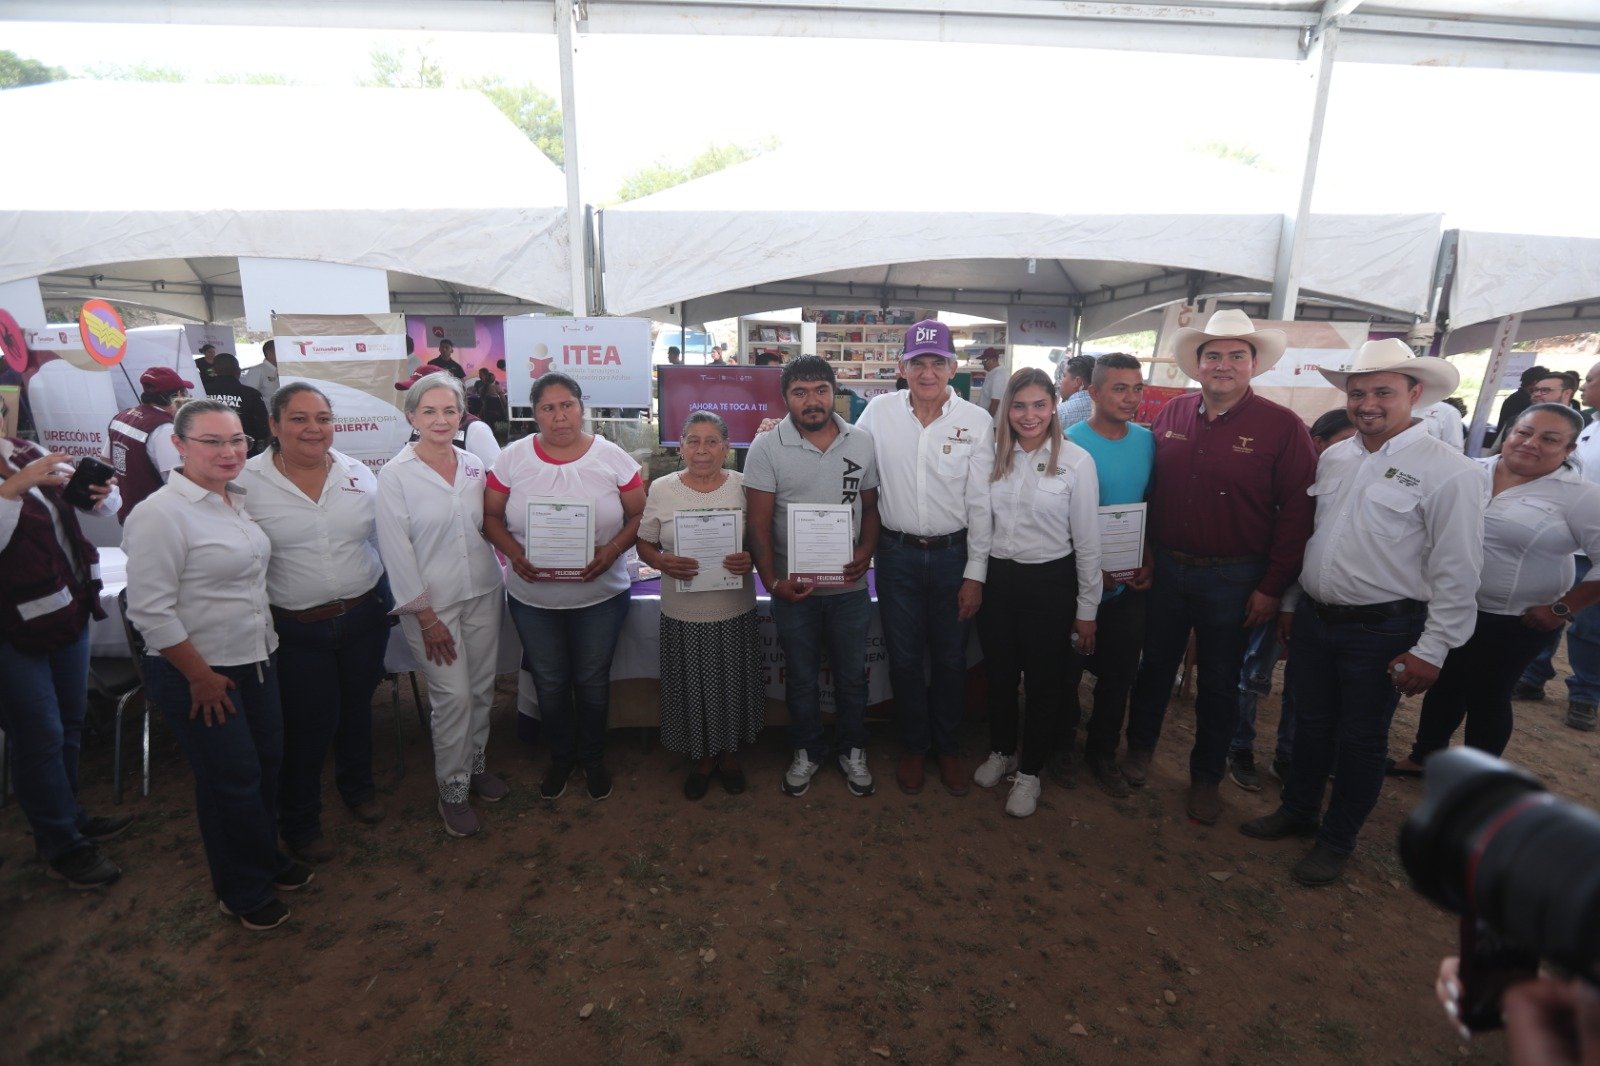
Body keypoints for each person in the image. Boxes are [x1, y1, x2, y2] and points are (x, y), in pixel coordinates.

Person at [1241, 339, 1486, 887]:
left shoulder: (1450, 472)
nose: (1367, 404)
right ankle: (1299, 810)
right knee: (1309, 723)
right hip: (1315, 618)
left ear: (1415, 394)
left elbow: (1459, 571)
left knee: (1361, 740)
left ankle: (1337, 840)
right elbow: (1315, 538)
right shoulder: (1337, 456)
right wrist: (1291, 603)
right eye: (1357, 393)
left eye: (1383, 392)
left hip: (1383, 628)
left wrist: (1432, 649)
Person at [1123, 309, 1317, 827]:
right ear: (1198, 364)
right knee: (1154, 668)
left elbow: (1298, 513)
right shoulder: (1172, 414)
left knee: (1219, 681)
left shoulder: (1283, 427)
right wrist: (1145, 552)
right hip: (1167, 568)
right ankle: (1139, 751)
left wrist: (1272, 586)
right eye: (1213, 355)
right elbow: (1151, 490)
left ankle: (1206, 777)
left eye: (1236, 355)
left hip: (1235, 578)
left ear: (1253, 364)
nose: (1223, 364)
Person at [124, 400, 311, 930]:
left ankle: (264, 857)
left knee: (265, 765)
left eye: (236, 441)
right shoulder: (160, 514)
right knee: (230, 779)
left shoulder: (233, 499)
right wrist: (199, 676)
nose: (229, 452)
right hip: (200, 673)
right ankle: (242, 891)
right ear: (178, 445)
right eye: (212, 441)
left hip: (256, 658)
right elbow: (150, 611)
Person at [1388, 404, 1600, 772]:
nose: (1531, 443)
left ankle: (1476, 782)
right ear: (1509, 432)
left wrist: (1562, 609)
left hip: (1514, 620)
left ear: (1569, 449)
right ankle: (1425, 757)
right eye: (1524, 432)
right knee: (1445, 685)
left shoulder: (1580, 496)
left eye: (1549, 439)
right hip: (1447, 606)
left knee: (1487, 696)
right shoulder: (1469, 471)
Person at [237, 383, 391, 865]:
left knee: (358, 710)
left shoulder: (357, 473)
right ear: (274, 425)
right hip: (297, 629)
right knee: (307, 726)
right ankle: (301, 822)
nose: (313, 428)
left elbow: (381, 539)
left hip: (363, 616)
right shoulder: (245, 482)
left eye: (322, 418)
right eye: (299, 418)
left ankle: (358, 789)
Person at [482, 372, 644, 803]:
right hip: (533, 599)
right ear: (534, 414)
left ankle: (592, 758)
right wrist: (514, 554)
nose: (559, 417)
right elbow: (491, 518)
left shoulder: (612, 457)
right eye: (548, 408)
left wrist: (612, 550)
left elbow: (639, 516)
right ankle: (561, 758)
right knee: (550, 683)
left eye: (567, 405)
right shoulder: (512, 459)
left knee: (591, 681)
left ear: (581, 407)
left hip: (600, 597)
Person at [855, 321, 993, 796]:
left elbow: (981, 505)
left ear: (954, 368)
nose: (928, 372)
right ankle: (915, 746)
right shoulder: (878, 412)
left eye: (938, 363)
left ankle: (947, 748)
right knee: (905, 657)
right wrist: (779, 427)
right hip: (897, 555)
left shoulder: (977, 421)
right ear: (902, 367)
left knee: (951, 657)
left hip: (955, 555)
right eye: (918, 363)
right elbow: (846, 456)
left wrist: (976, 575)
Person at [375, 373, 507, 837]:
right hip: (432, 606)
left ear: (461, 415)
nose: (440, 419)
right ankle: (451, 788)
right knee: (452, 697)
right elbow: (396, 552)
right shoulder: (395, 475)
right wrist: (426, 618)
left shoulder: (473, 465)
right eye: (429, 411)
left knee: (482, 689)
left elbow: (489, 524)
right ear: (411, 416)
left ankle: (475, 766)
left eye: (449, 410)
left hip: (483, 591)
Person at [745, 356, 881, 798]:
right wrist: (773, 583)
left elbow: (871, 509)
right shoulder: (766, 447)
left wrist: (865, 551)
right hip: (794, 591)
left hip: (849, 589)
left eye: (820, 390)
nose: (812, 400)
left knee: (852, 677)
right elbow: (758, 524)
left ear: (833, 392)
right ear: (785, 398)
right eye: (800, 392)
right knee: (801, 678)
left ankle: (853, 749)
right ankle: (807, 750)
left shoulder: (861, 441)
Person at [0, 436, 130, 888]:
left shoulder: (26, 450)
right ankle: (60, 843)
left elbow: (92, 510)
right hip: (11, 629)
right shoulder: (20, 470)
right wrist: (11, 490)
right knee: (39, 736)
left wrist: (99, 493)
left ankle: (68, 816)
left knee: (71, 722)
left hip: (65, 608)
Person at [972, 369, 1101, 817]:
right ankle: (1003, 750)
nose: (1029, 416)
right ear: (1006, 408)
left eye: (1039, 405)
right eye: (1019, 406)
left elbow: (1088, 542)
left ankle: (1030, 772)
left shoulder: (1077, 461)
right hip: (999, 581)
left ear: (1054, 407)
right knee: (1001, 675)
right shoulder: (992, 456)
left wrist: (1087, 609)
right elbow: (980, 524)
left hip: (1050, 584)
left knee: (1046, 683)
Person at [1226, 408, 1356, 792]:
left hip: (1317, 600)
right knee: (1255, 672)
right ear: (1318, 444)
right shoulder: (1289, 481)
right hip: (1276, 588)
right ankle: (1240, 747)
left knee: (1303, 684)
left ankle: (1287, 754)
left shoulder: (1350, 483)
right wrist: (1278, 597)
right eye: (1344, 441)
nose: (1353, 449)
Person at [635, 411, 764, 799]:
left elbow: (762, 540)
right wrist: (661, 561)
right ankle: (703, 757)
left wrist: (752, 558)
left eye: (712, 441)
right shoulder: (662, 489)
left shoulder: (745, 486)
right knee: (692, 687)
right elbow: (644, 542)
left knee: (731, 683)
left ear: (726, 448)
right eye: (693, 441)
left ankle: (728, 755)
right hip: (683, 612)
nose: (702, 449)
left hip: (733, 607)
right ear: (680, 447)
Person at [1060, 353, 1155, 797]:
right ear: (1094, 392)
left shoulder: (1148, 442)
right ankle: (1061, 746)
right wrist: (1090, 570)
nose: (1131, 398)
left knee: (1119, 676)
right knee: (1066, 672)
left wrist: (1147, 558)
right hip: (1074, 581)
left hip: (1127, 585)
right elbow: (1054, 515)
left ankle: (1102, 753)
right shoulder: (1067, 441)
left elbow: (1147, 505)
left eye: (1137, 388)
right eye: (1120, 388)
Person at [1513, 360, 1600, 731]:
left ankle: (1586, 694)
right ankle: (1534, 676)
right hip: (1558, 538)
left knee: (1588, 625)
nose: (1586, 384)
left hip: (1592, 546)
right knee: (1545, 611)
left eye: (1592, 379)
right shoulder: (1589, 427)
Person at [107, 365, 191, 524]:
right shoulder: (165, 429)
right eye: (186, 393)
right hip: (158, 519)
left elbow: (106, 459)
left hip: (128, 512)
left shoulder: (122, 416)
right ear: (179, 395)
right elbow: (178, 481)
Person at [396, 365, 501, 467]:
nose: (411, 397)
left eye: (416, 391)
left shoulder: (475, 429)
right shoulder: (420, 422)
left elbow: (498, 473)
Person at [203, 353, 271, 456]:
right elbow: (263, 428)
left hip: (210, 450)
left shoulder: (202, 391)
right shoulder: (251, 394)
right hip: (245, 452)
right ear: (238, 371)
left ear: (215, 371)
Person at [1055, 354, 1096, 430]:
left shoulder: (1059, 412)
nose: (1061, 381)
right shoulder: (1106, 409)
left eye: (1064, 376)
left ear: (1077, 382)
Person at [245, 339, 280, 404]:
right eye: (280, 351)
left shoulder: (282, 370)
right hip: (265, 409)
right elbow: (248, 395)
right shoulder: (257, 370)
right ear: (269, 353)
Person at [976, 347, 1004, 418]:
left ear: (994, 360)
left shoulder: (999, 375)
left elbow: (995, 401)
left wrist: (988, 420)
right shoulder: (992, 373)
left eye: (985, 360)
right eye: (982, 361)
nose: (983, 363)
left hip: (993, 421)